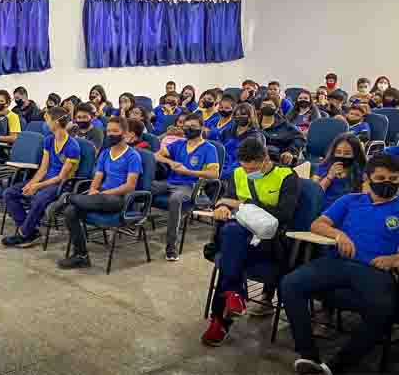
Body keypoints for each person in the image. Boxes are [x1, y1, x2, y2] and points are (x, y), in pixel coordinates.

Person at [281, 153, 399, 375]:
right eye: (381, 178)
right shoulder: (350, 200)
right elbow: (317, 224)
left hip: (375, 269)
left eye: (394, 179)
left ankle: (334, 367)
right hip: (339, 262)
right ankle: (308, 355)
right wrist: (339, 235)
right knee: (290, 284)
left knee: (384, 309)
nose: (388, 184)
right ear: (368, 178)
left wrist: (394, 259)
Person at [201, 138, 299, 346]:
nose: (247, 173)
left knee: (230, 252)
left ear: (265, 159)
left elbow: (284, 214)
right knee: (232, 233)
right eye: (245, 168)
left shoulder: (287, 176)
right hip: (239, 236)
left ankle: (222, 317)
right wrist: (222, 207)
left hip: (269, 240)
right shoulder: (238, 174)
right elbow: (226, 199)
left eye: (253, 169)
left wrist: (243, 204)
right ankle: (232, 297)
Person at [56, 117, 142, 269]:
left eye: (115, 131)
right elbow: (98, 177)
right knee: (70, 212)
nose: (110, 134)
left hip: (120, 199)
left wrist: (104, 193)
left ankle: (68, 198)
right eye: (108, 131)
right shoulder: (105, 153)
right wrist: (93, 190)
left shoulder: (133, 156)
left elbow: (130, 186)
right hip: (101, 196)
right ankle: (81, 256)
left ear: (124, 133)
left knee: (101, 199)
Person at [1, 107, 80, 248]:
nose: (45, 123)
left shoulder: (72, 146)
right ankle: (31, 231)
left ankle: (23, 234)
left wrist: (37, 186)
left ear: (56, 122)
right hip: (46, 180)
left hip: (61, 185)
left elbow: (61, 177)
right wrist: (31, 184)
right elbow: (43, 169)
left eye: (47, 120)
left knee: (39, 198)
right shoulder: (48, 140)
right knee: (9, 193)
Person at [153, 114, 221, 260]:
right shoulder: (179, 144)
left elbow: (214, 174)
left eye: (193, 126)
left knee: (175, 199)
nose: (189, 129)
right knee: (147, 187)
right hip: (170, 182)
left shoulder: (209, 148)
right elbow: (156, 156)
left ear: (201, 128)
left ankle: (171, 248)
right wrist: (171, 162)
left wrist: (188, 172)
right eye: (186, 126)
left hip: (191, 185)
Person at [312, 133, 366, 209]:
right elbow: (314, 194)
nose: (342, 156)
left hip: (350, 209)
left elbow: (365, 198)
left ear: (356, 154)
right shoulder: (324, 166)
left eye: (347, 153)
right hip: (326, 209)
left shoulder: (361, 170)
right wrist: (329, 177)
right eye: (338, 152)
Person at [219, 103, 264, 178]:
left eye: (243, 114)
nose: (239, 117)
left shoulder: (256, 136)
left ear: (250, 117)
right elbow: (218, 150)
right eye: (237, 115)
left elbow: (250, 160)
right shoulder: (226, 132)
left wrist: (224, 172)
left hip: (241, 168)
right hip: (222, 163)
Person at [258, 95, 304, 167]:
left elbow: (299, 138)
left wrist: (290, 151)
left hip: (277, 160)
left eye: (270, 105)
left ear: (276, 109)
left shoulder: (285, 126)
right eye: (264, 105)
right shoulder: (253, 124)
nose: (266, 107)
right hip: (254, 159)